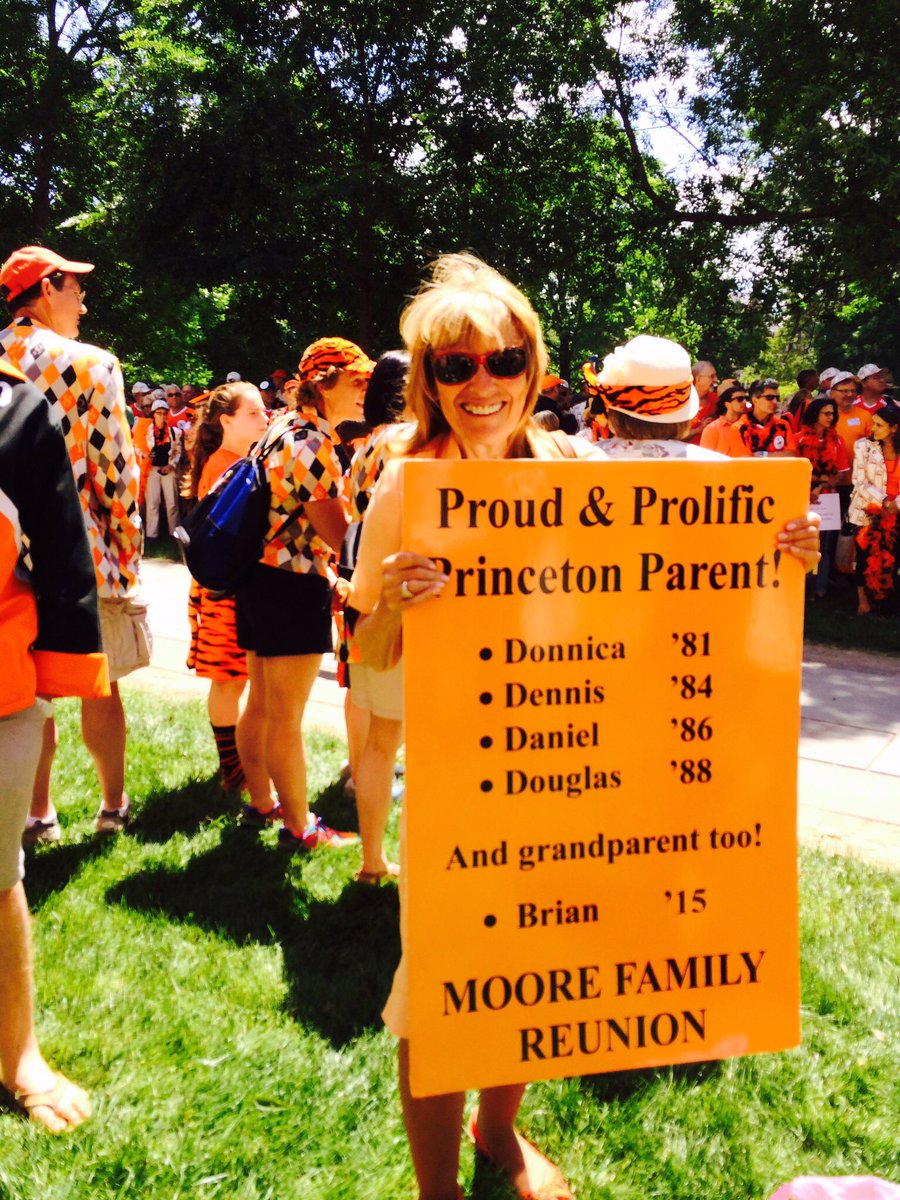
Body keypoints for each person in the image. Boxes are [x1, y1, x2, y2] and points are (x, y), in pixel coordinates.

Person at [348, 253, 604, 1200]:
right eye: (454, 368)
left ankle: (501, 1127)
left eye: (500, 362)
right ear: (428, 381)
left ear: (532, 369)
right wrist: (399, 608)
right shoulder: (404, 486)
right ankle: (437, 1189)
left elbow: (666, 590)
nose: (480, 385)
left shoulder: (577, 468)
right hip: (463, 783)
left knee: (529, 968)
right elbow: (368, 652)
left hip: (570, 763)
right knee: (439, 994)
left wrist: (774, 550)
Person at [0, 244, 145, 838]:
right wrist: (126, 545)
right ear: (49, 286)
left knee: (27, 687)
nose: (83, 301)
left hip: (10, 550)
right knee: (97, 681)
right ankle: (112, 807)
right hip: (81, 549)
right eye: (76, 288)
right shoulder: (92, 364)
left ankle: (37, 813)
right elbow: (116, 469)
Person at [0, 358, 109, 1130]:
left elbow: (64, 553)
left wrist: (57, 675)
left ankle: (17, 1053)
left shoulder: (16, 409)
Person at [234, 338, 370, 849]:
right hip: (292, 586)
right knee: (285, 717)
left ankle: (261, 803)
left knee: (263, 704)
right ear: (324, 382)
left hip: (260, 578)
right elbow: (337, 534)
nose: (364, 390)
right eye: (356, 380)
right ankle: (299, 827)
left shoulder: (280, 428)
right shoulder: (312, 441)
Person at [341, 351, 413, 883]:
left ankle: (371, 863)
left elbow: (351, 510)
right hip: (406, 592)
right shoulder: (415, 443)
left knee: (378, 741)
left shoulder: (366, 445)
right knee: (403, 744)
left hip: (362, 582)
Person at [185, 382, 271, 803]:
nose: (265, 417)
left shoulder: (241, 459)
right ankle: (231, 767)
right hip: (224, 592)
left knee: (237, 679)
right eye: (253, 413)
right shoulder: (225, 466)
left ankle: (237, 763)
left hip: (231, 587)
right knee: (228, 680)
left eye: (264, 410)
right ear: (227, 421)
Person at [796, 397, 850, 598]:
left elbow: (842, 474)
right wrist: (817, 482)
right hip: (803, 497)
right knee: (804, 541)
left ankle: (820, 588)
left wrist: (819, 485)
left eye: (833, 413)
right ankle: (801, 586)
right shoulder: (799, 438)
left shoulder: (837, 441)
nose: (831, 417)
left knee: (826, 545)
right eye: (826, 413)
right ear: (815, 414)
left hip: (828, 500)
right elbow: (796, 470)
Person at [848, 405, 900, 616]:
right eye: (874, 423)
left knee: (892, 557)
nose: (874, 428)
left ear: (894, 428)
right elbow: (859, 482)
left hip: (896, 512)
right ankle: (863, 602)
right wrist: (885, 501)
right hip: (869, 510)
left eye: (880, 425)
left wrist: (897, 504)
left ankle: (884, 600)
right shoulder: (863, 446)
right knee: (864, 558)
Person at [144, 398, 183, 539]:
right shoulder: (145, 431)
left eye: (164, 413)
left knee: (172, 503)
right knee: (153, 502)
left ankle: (174, 534)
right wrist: (146, 455)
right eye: (158, 413)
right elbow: (137, 448)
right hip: (152, 469)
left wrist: (171, 465)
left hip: (168, 468)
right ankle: (151, 534)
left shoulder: (175, 432)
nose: (161, 416)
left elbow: (178, 451)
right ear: (153, 414)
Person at [740, 378, 796, 456]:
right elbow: (746, 460)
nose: (775, 401)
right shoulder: (739, 427)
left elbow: (791, 455)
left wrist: (763, 455)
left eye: (777, 398)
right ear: (755, 400)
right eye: (770, 397)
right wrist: (779, 455)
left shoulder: (783, 425)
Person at [699, 383, 750, 455]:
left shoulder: (749, 426)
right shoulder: (713, 429)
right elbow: (704, 459)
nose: (745, 402)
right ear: (727, 404)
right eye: (740, 399)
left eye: (746, 399)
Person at [686, 359, 719, 443]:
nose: (716, 380)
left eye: (715, 376)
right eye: (712, 376)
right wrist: (698, 430)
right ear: (699, 379)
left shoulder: (716, 400)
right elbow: (673, 436)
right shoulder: (682, 401)